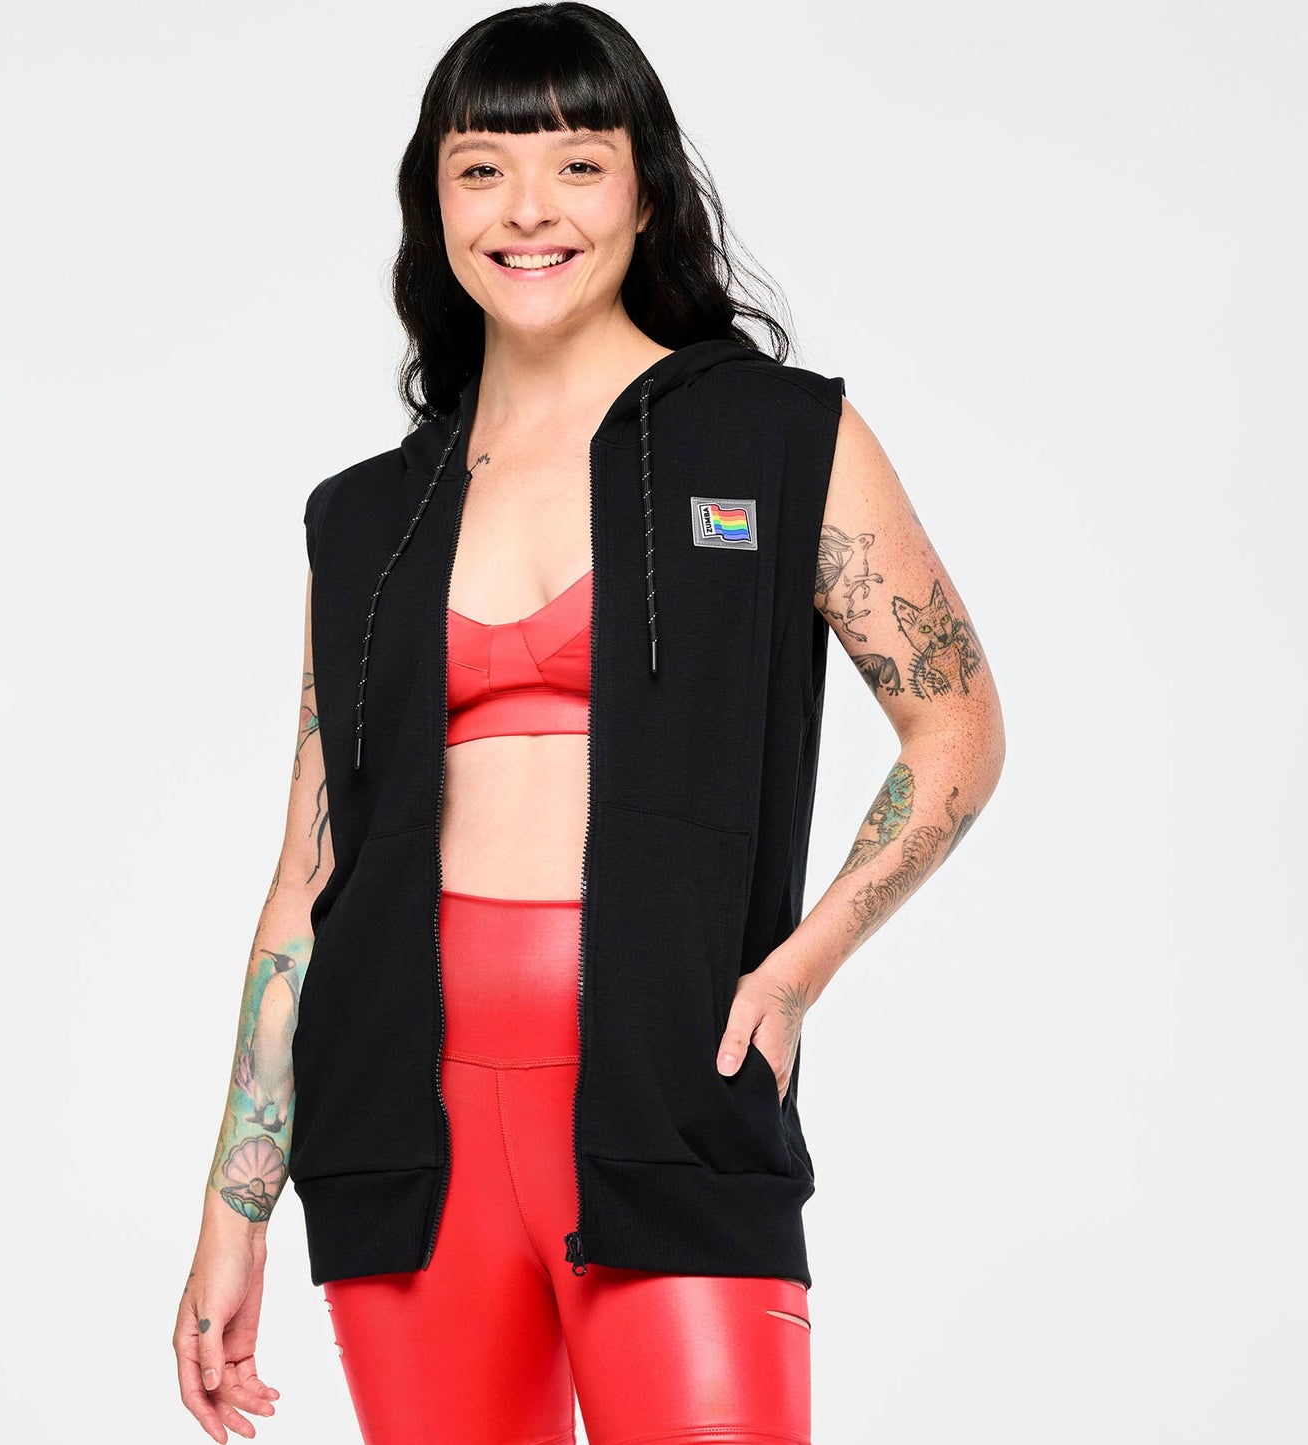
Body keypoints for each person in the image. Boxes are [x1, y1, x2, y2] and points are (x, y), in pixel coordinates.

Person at [173, 4, 1007, 1442]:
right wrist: (231, 1210)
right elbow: (308, 877)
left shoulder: (775, 439)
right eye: (481, 168)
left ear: (645, 192)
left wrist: (800, 968)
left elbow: (957, 729)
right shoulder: (366, 519)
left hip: (673, 1101)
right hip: (402, 1135)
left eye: (576, 162)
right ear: (434, 204)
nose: (528, 209)